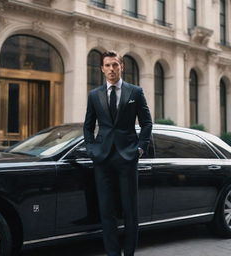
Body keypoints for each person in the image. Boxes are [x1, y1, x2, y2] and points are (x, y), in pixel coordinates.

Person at [83, 50, 152, 256]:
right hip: (102, 159)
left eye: (115, 65)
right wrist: (91, 149)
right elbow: (88, 126)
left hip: (127, 158)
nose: (112, 69)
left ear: (122, 66)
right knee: (106, 211)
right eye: (107, 65)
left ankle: (129, 253)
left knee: (130, 211)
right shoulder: (94, 95)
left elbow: (147, 123)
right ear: (102, 69)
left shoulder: (135, 92)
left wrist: (140, 148)